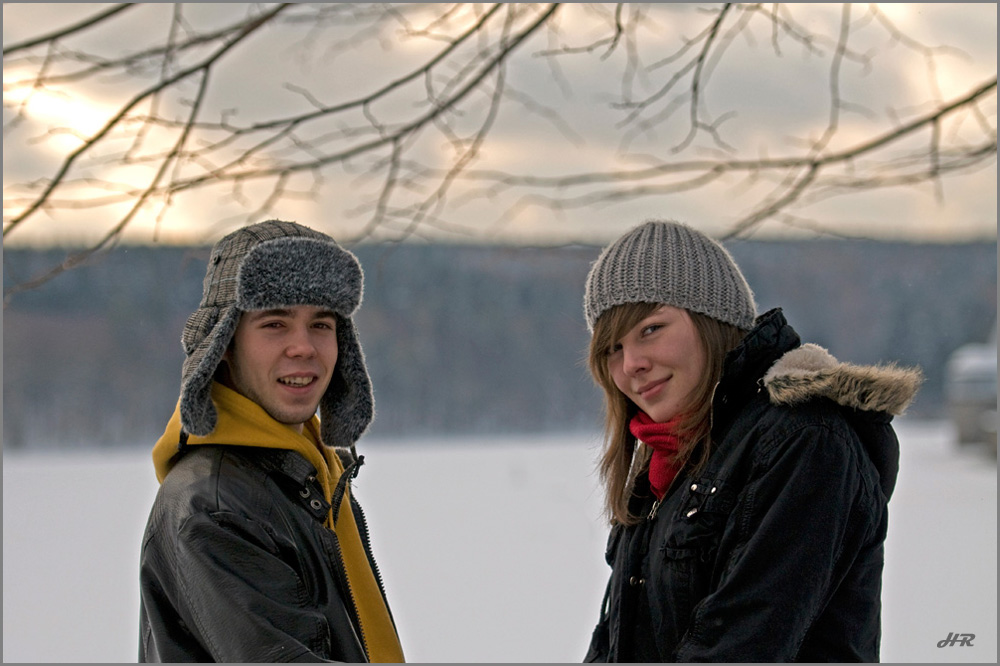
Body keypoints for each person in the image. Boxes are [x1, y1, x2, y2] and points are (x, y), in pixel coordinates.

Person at [581, 220, 922, 662]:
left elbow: (740, 645)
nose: (632, 364)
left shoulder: (803, 442)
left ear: (711, 319)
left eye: (650, 329)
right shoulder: (669, 462)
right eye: (613, 348)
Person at [139, 220, 405, 663]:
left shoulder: (313, 478)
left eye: (320, 324)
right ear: (224, 343)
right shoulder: (215, 507)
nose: (303, 347)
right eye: (275, 323)